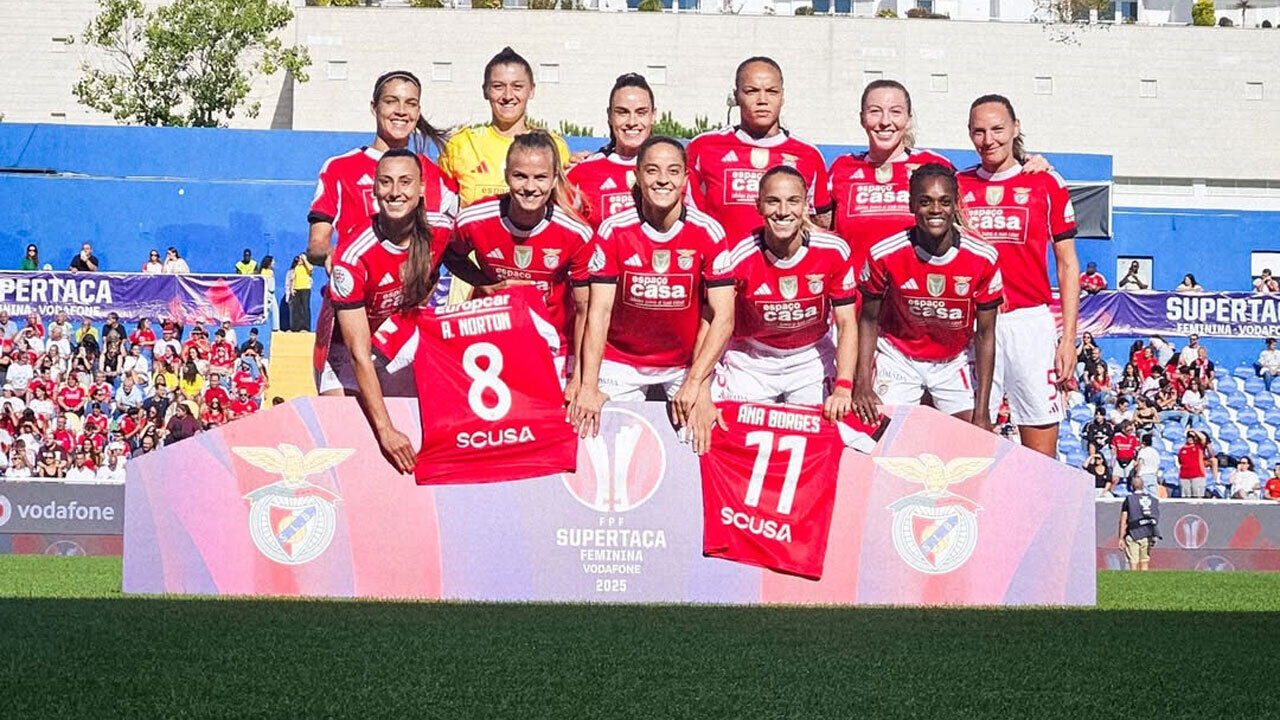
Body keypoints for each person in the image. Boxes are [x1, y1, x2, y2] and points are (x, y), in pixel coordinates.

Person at [571, 136, 733, 445]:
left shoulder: (708, 231)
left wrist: (697, 383)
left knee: (701, 437)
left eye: (673, 171)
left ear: (686, 179)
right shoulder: (613, 230)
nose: (662, 180)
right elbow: (599, 312)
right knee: (597, 438)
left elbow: (723, 317)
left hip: (685, 364)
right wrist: (589, 385)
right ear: (637, 176)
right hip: (622, 362)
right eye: (652, 171)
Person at [957, 95, 1079, 457]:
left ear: (1015, 128)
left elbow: (1068, 264)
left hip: (1030, 323)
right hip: (976, 325)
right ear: (969, 134)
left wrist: (1068, 338)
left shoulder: (1045, 183)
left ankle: (1040, 513)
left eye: (997, 129)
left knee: (1040, 448)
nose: (988, 139)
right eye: (979, 131)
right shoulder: (957, 186)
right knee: (971, 444)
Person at [852, 163, 1002, 429]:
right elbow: (867, 320)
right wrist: (862, 383)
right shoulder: (883, 253)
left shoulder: (983, 257)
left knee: (973, 438)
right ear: (911, 205)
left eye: (944, 201)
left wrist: (982, 411)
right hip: (898, 357)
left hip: (953, 359)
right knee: (877, 431)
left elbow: (985, 333)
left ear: (955, 205)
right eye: (925, 201)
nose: (935, 210)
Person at [710, 166, 858, 421]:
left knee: (823, 431)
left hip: (811, 358)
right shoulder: (737, 257)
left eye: (793, 201)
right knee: (734, 432)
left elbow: (846, 323)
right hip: (752, 360)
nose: (782, 211)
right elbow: (716, 319)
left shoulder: (834, 250)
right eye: (772, 201)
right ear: (758, 205)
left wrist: (844, 387)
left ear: (806, 205)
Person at [451, 132, 594, 386]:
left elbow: (584, 310)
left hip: (553, 347)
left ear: (553, 181)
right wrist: (484, 283)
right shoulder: (474, 220)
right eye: (520, 176)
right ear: (507, 176)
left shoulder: (576, 233)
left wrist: (579, 380)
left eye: (540, 177)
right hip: (490, 340)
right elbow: (450, 255)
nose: (529, 187)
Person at [306, 69, 456, 266]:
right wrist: (334, 256)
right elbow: (316, 244)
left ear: (417, 112)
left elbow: (451, 247)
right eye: (391, 101)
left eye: (410, 103)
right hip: (355, 294)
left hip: (415, 296)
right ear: (374, 107)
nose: (401, 110)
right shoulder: (340, 168)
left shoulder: (435, 175)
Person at [685, 57, 831, 244]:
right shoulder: (704, 147)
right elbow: (686, 216)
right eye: (752, 91)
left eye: (772, 92)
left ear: (782, 96)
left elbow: (820, 223)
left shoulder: (808, 155)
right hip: (722, 268)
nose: (762, 100)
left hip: (781, 270)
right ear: (736, 96)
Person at [439, 47, 571, 209]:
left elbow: (564, 208)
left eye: (517, 86)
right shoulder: (460, 145)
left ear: (531, 90)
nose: (508, 96)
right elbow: (442, 211)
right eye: (498, 86)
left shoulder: (554, 146)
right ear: (485, 91)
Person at [567, 73, 654, 228]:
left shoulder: (675, 171)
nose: (632, 122)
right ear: (609, 116)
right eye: (622, 112)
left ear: (653, 115)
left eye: (641, 113)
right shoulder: (582, 171)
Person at [1119, 476, 1160, 571]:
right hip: (1148, 534)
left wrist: (1121, 538)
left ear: (1132, 486)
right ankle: (1144, 583)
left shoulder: (1129, 500)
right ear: (1143, 486)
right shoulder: (1153, 500)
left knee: (1134, 563)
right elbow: (1155, 517)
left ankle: (1135, 583)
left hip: (1133, 534)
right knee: (1144, 562)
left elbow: (1123, 520)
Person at [1177, 430, 1208, 499]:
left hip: (1197, 475)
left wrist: (1193, 430)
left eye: (1193, 437)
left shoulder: (1199, 447)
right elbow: (1180, 461)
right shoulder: (1182, 449)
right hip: (1184, 476)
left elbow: (1203, 438)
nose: (1191, 439)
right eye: (1189, 437)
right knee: (1186, 498)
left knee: (1197, 497)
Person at [287, 254, 314, 332]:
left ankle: (305, 327)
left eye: (301, 259)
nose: (299, 260)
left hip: (305, 288)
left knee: (305, 308)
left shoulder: (307, 266)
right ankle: (296, 327)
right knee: (296, 309)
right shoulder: (297, 267)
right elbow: (293, 278)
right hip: (296, 289)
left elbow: (311, 268)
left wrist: (305, 259)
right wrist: (292, 288)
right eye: (299, 258)